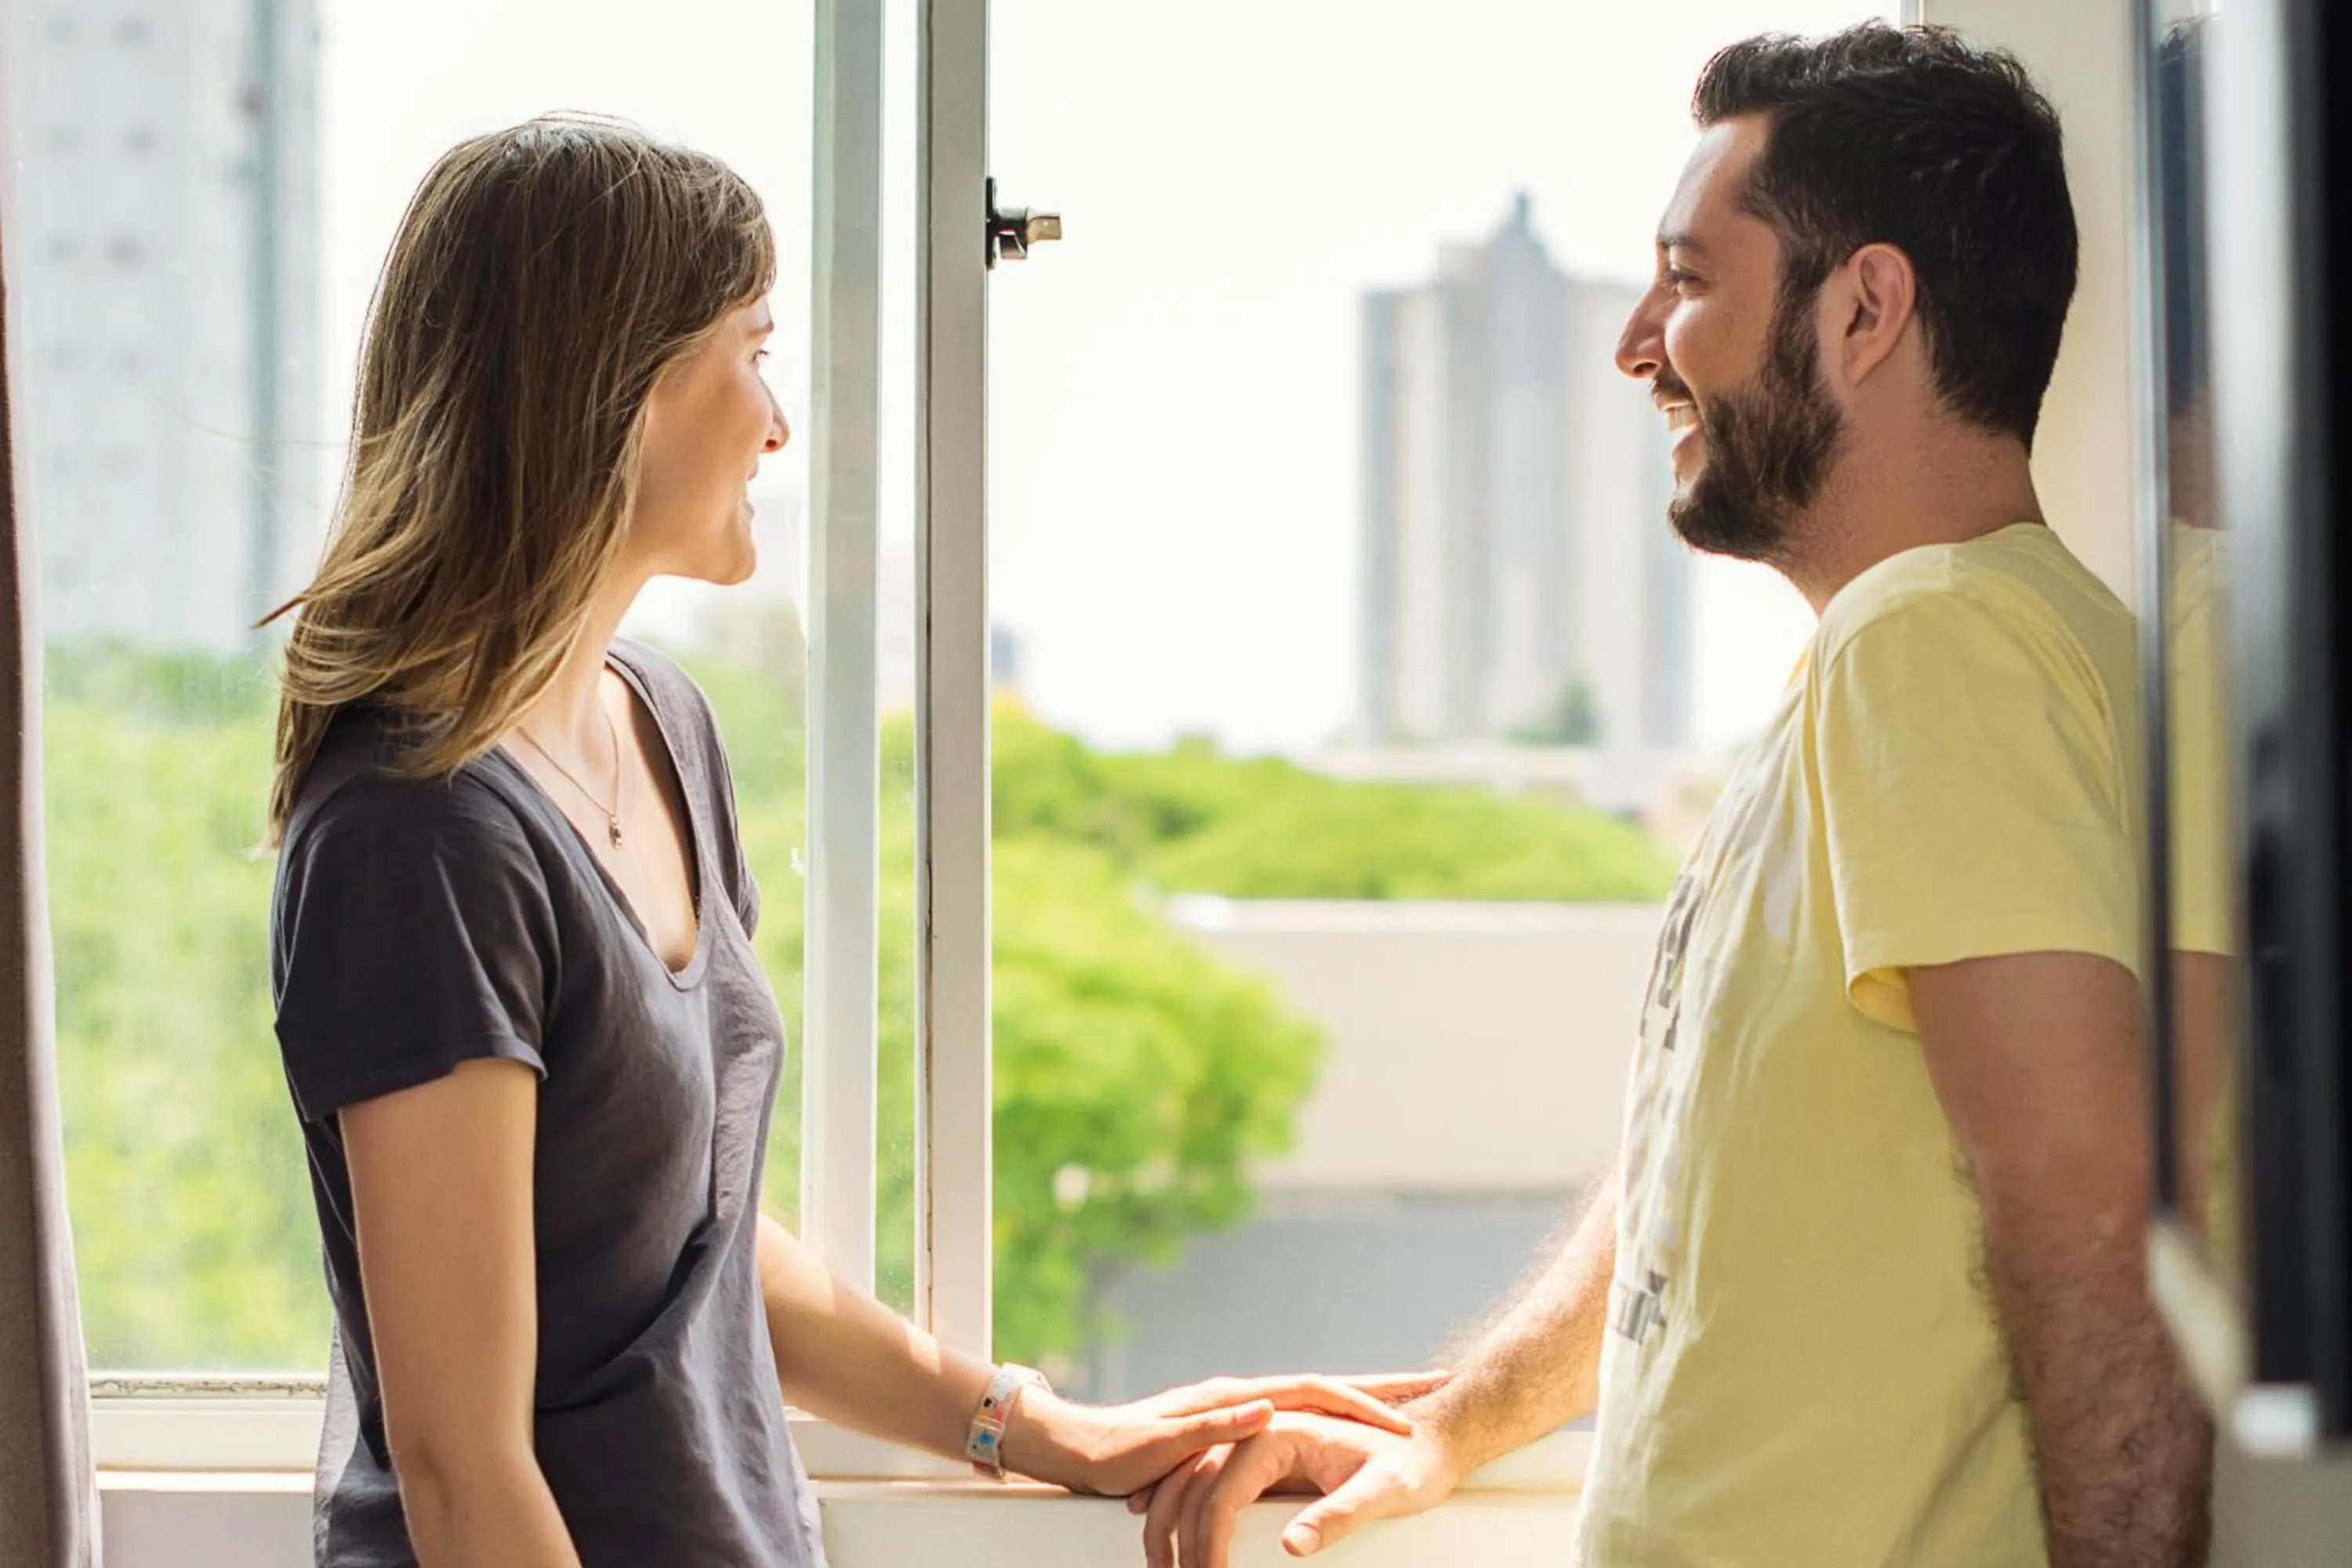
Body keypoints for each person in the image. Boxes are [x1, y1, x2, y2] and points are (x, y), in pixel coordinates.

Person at [263, 114, 1415, 1568]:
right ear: (617, 391)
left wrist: (1036, 1426)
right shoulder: (414, 833)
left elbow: (694, 1247)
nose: (778, 421)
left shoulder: (659, 723)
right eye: (753, 348)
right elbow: (460, 1464)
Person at [1134, 24, 2214, 1568]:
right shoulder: (1897, 663)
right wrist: (1455, 1420)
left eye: (1691, 278)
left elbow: (2086, 1213)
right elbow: (1695, 1186)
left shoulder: (1939, 649)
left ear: (1866, 310)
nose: (1640, 339)